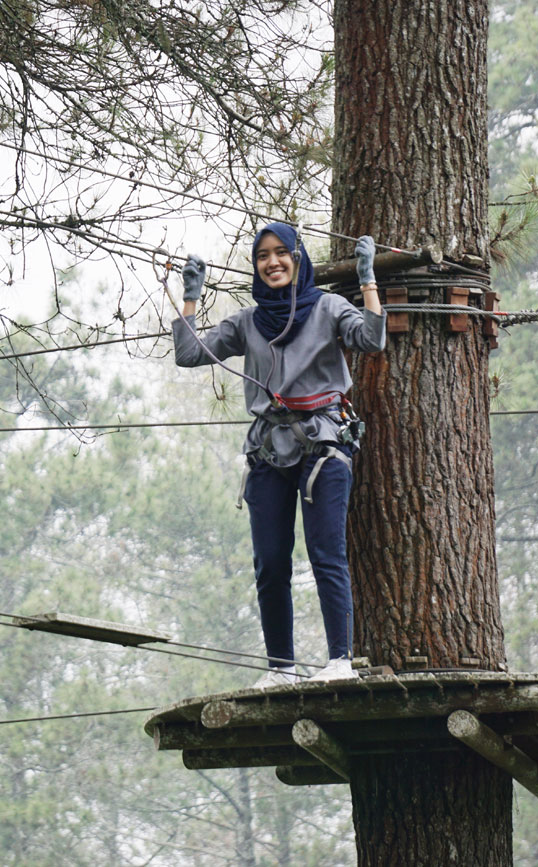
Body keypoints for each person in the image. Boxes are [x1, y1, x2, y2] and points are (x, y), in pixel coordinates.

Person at [171, 224, 386, 687]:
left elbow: (371, 340)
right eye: (262, 256)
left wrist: (369, 283)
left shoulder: (328, 308)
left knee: (326, 551)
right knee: (270, 561)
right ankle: (281, 668)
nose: (272, 263)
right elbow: (189, 353)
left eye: (281, 253)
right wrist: (191, 296)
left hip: (324, 443)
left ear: (297, 258)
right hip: (269, 448)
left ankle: (339, 660)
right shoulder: (247, 323)